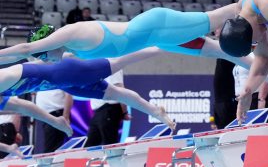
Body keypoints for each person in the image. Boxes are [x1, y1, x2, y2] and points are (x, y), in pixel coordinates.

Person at [0, 6, 247, 66]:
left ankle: (255, 4)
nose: (45, 61)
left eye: (43, 56)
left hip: (157, 26)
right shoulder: (71, 50)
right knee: (220, 52)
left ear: (47, 44)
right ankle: (266, 73)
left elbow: (24, 50)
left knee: (218, 16)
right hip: (158, 38)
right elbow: (23, 59)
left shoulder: (68, 33)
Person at [0, 47, 178, 130]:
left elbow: (30, 60)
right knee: (115, 94)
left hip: (66, 71)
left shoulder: (3, 78)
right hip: (65, 83)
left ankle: (163, 46)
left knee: (118, 63)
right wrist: (56, 122)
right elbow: (26, 107)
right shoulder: (2, 97)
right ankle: (155, 111)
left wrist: (66, 55)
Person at [85, 70, 128, 147]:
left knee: (109, 144)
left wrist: (124, 111)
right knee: (90, 145)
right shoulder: (96, 67)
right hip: (99, 111)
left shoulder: (113, 67)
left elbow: (119, 89)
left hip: (109, 108)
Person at [35, 89, 72, 153]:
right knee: (52, 149)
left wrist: (66, 116)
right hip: (46, 117)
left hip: (56, 116)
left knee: (51, 151)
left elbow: (69, 93)